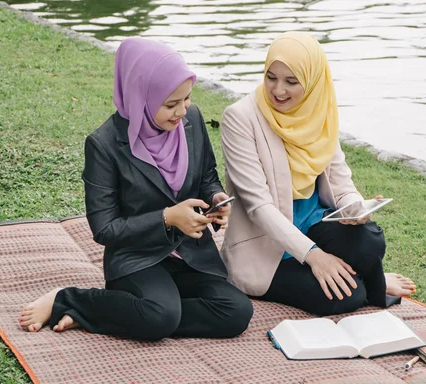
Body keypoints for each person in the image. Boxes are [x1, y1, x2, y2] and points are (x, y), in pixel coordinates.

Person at [19, 38, 253, 340]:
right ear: (140, 96)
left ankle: (124, 312)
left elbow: (207, 174)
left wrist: (216, 197)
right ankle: (69, 300)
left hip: (190, 255)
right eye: (170, 104)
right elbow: (105, 228)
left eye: (187, 99)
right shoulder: (104, 145)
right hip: (137, 259)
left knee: (236, 312)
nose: (182, 111)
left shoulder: (191, 120)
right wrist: (167, 218)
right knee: (160, 316)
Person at [220, 32, 416, 316]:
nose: (278, 91)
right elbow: (258, 206)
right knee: (345, 297)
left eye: (291, 81)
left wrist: (354, 207)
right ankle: (371, 284)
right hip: (267, 245)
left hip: (312, 224)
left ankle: (362, 279)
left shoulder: (318, 111)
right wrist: (315, 257)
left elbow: (339, 179)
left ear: (311, 82)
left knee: (369, 240)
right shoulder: (240, 118)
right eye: (271, 77)